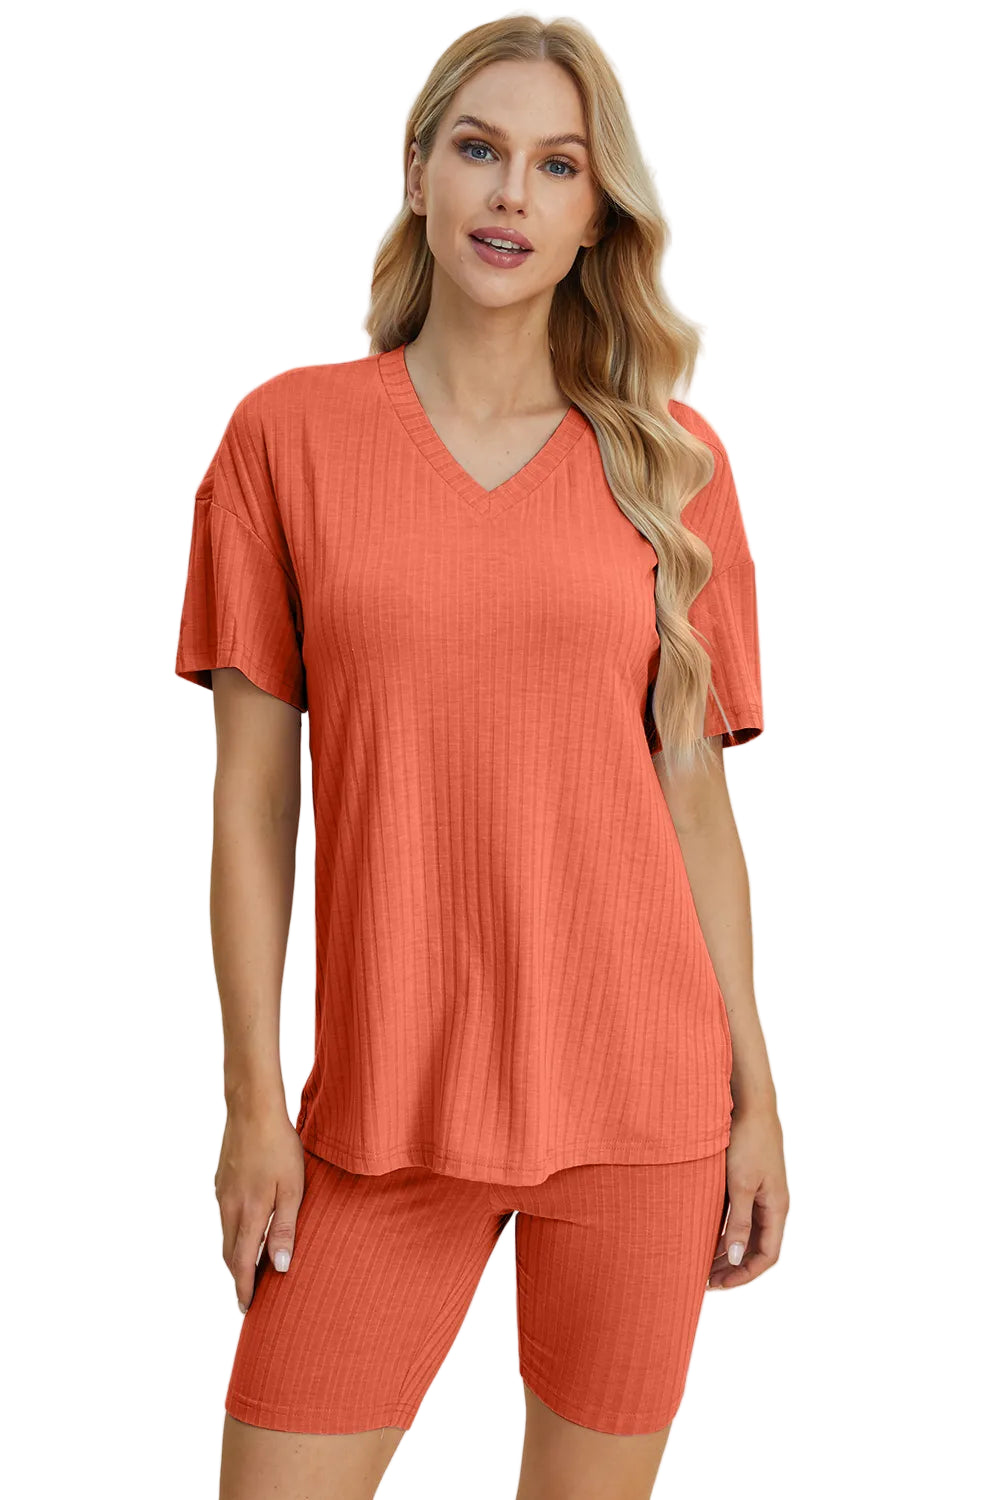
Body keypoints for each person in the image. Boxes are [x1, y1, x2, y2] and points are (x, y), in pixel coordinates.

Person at [175, 15, 789, 1500]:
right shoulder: (287, 439)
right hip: (381, 1116)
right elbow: (253, 803)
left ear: (595, 219)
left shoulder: (672, 463)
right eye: (479, 149)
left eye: (557, 166)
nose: (512, 193)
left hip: (643, 1104)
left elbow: (695, 808)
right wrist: (253, 1099)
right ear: (420, 175)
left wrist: (757, 1096)